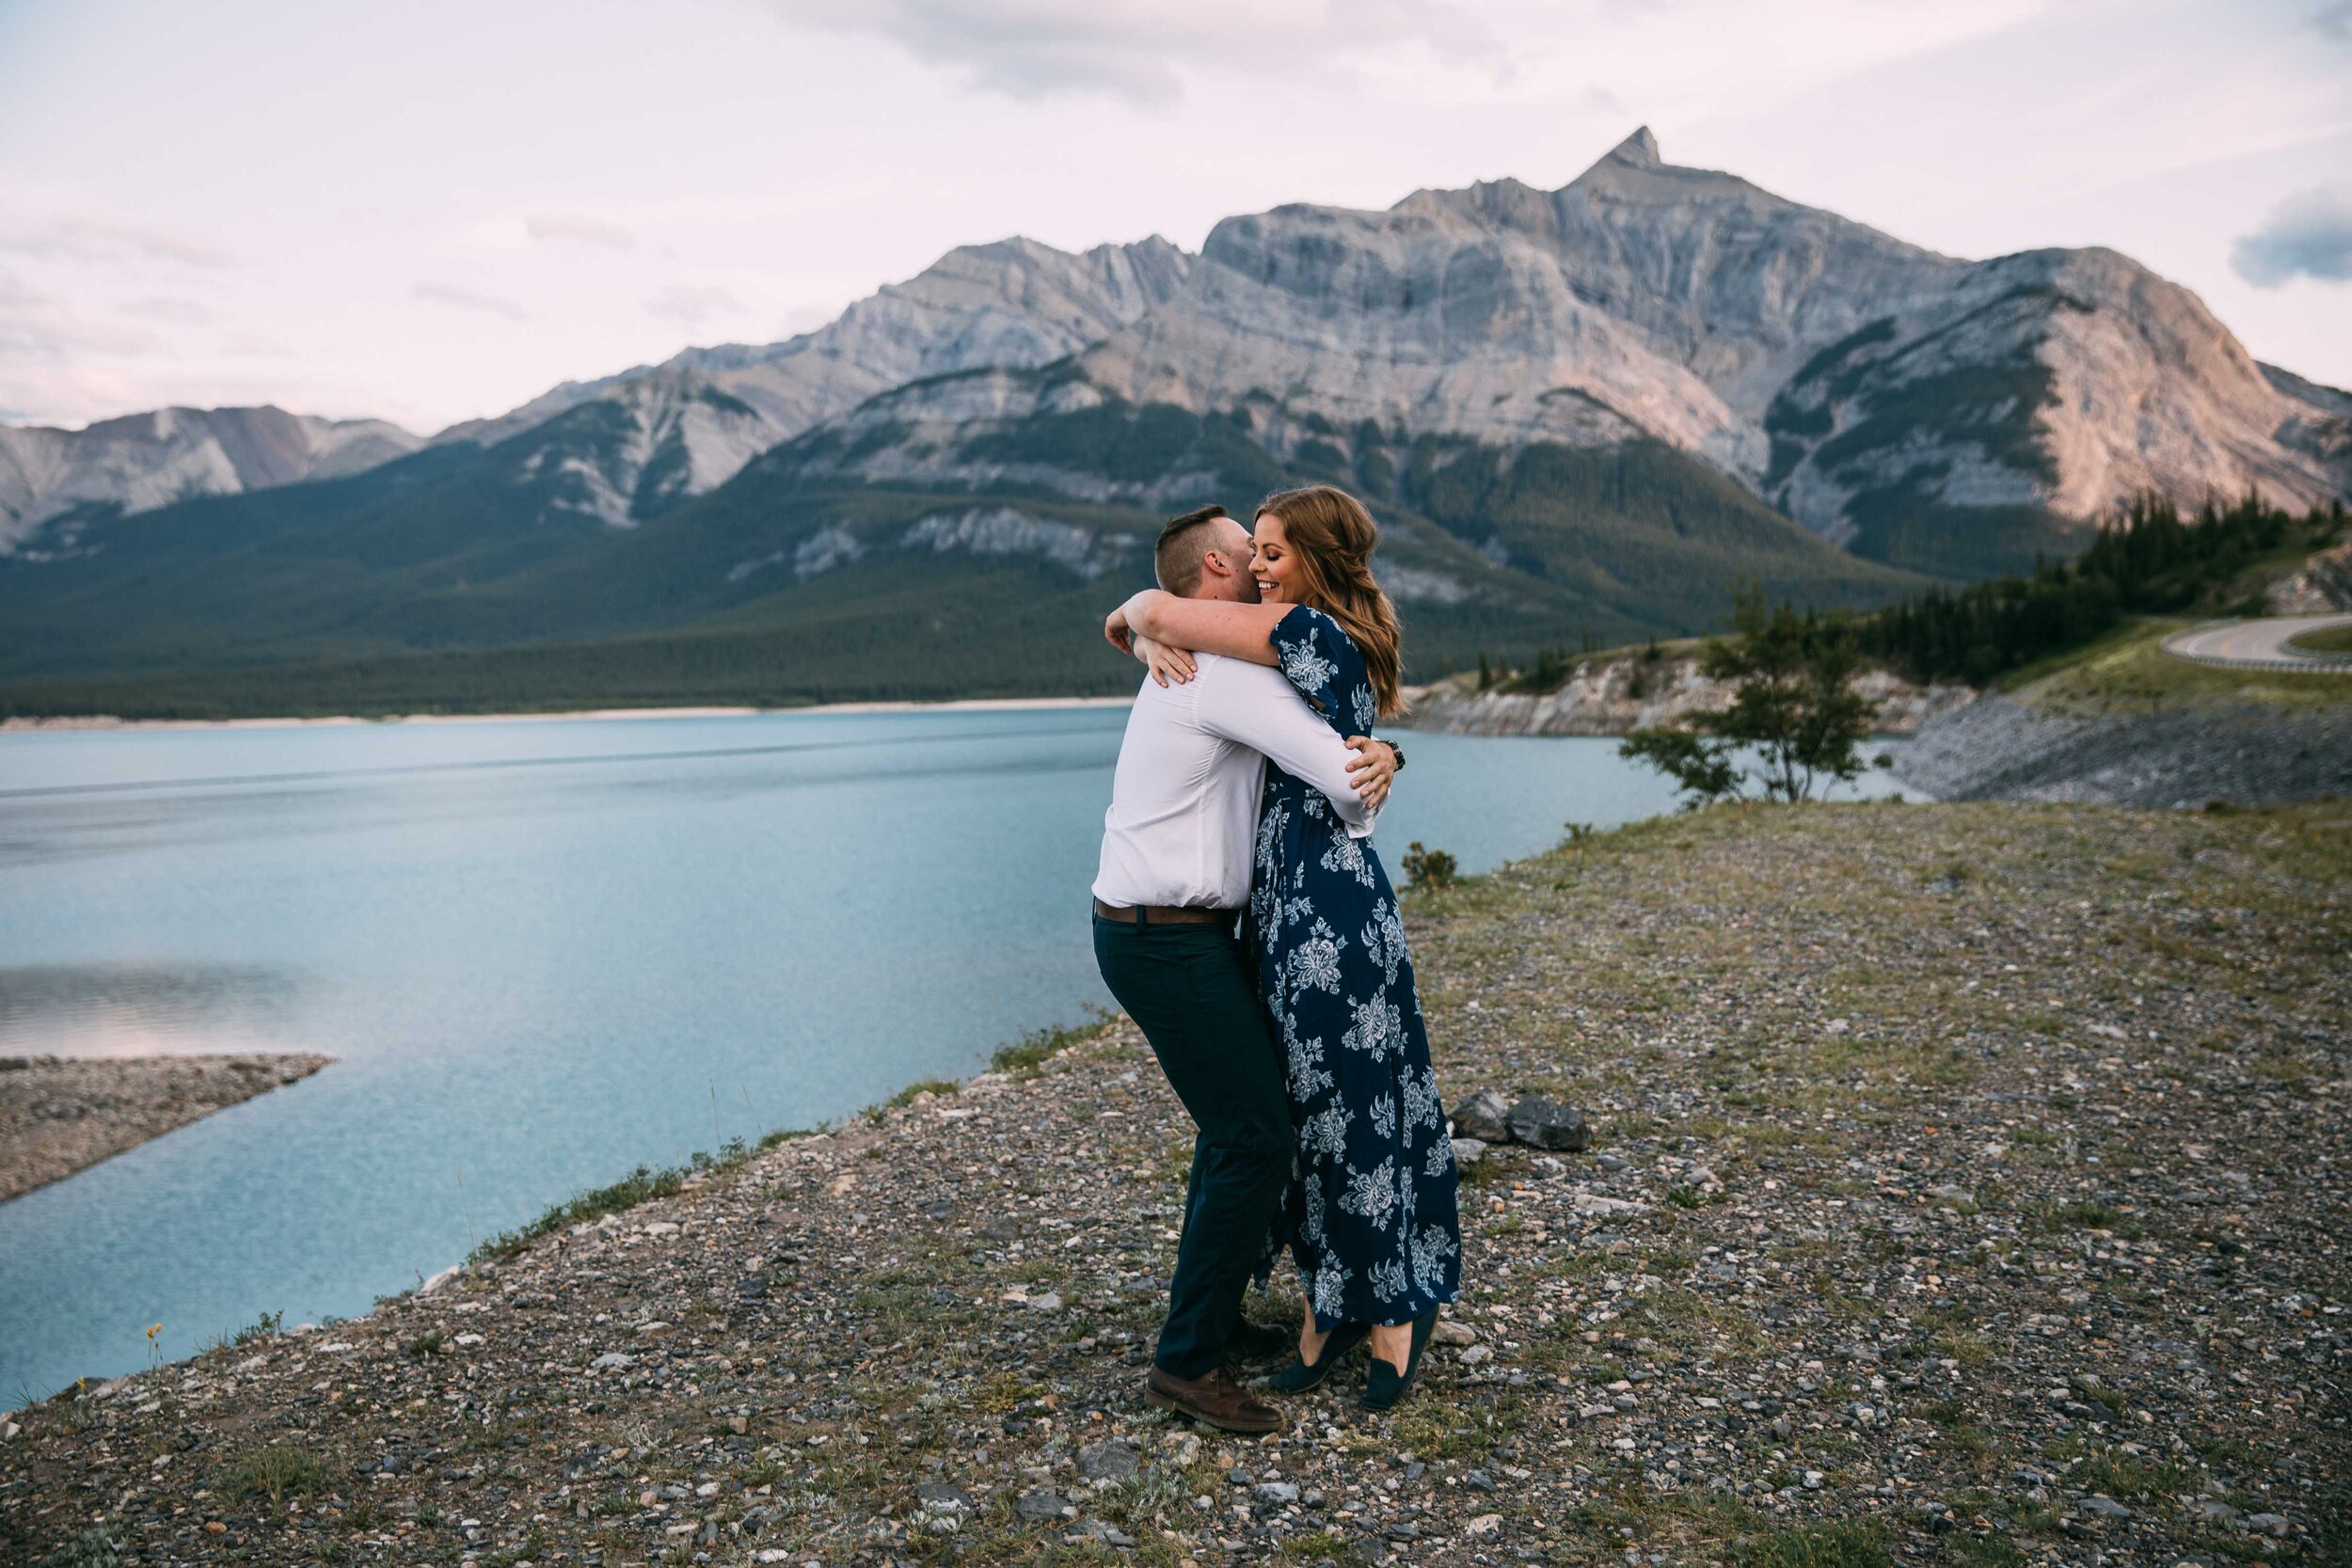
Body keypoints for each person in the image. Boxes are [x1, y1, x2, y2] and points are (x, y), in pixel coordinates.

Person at [1104, 483, 1462, 1411]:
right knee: (1256, 1131)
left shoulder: (1238, 654)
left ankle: (1228, 1323)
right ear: (1217, 567)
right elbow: (1343, 778)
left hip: (1216, 926)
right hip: (1175, 935)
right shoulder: (1218, 669)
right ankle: (1191, 1354)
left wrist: (1381, 757)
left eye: (1275, 549)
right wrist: (1374, 767)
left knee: (1254, 1127)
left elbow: (1339, 749)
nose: (1258, 563)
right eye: (1247, 551)